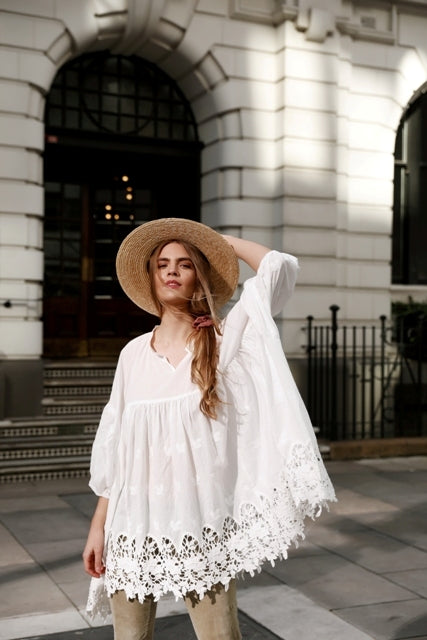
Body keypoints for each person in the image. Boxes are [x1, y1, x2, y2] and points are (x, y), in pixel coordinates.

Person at [83, 218, 336, 640]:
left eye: (184, 264)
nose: (171, 271)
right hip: (130, 524)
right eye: (162, 263)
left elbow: (277, 267)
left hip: (198, 524)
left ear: (198, 279)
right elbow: (115, 447)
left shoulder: (223, 344)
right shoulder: (131, 355)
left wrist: (216, 243)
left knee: (219, 636)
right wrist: (98, 527)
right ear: (151, 276)